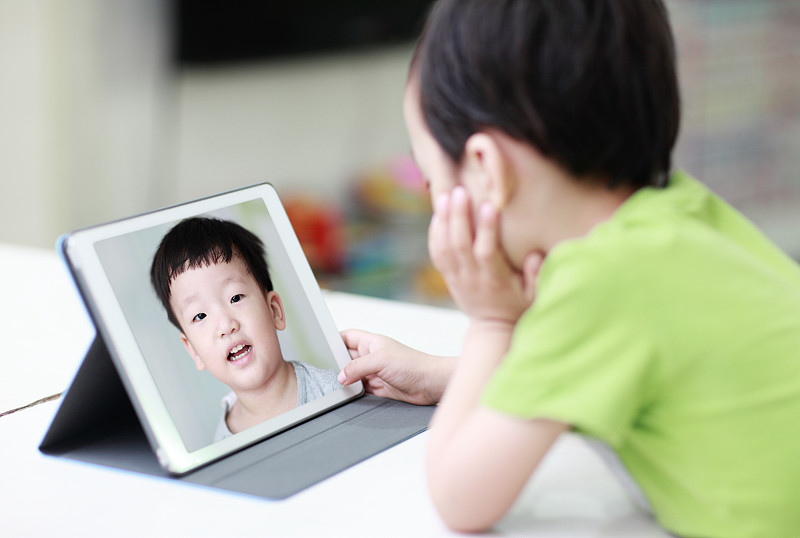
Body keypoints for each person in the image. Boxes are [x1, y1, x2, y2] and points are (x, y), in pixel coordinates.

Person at [337, 0, 800, 535]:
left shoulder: (603, 280)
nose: (434, 199)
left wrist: (494, 323)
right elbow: (577, 380)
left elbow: (460, 498)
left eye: (432, 178)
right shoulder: (678, 211)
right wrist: (441, 375)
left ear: (487, 170)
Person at [151, 216, 340, 442]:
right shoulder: (223, 444)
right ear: (192, 350)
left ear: (274, 311)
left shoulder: (335, 391)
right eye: (200, 315)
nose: (226, 325)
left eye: (235, 297)